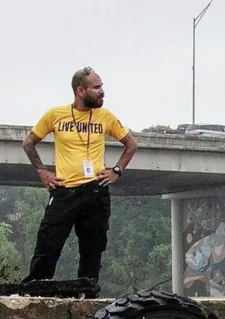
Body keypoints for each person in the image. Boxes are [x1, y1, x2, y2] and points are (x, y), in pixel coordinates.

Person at [22, 67, 138, 285]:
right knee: (48, 245)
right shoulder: (55, 114)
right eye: (96, 87)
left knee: (93, 248)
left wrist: (116, 171)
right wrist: (42, 171)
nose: (102, 91)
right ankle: (35, 292)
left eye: (102, 86)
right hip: (64, 190)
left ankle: (87, 292)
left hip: (95, 189)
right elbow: (28, 143)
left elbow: (131, 144)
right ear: (81, 91)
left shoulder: (106, 116)